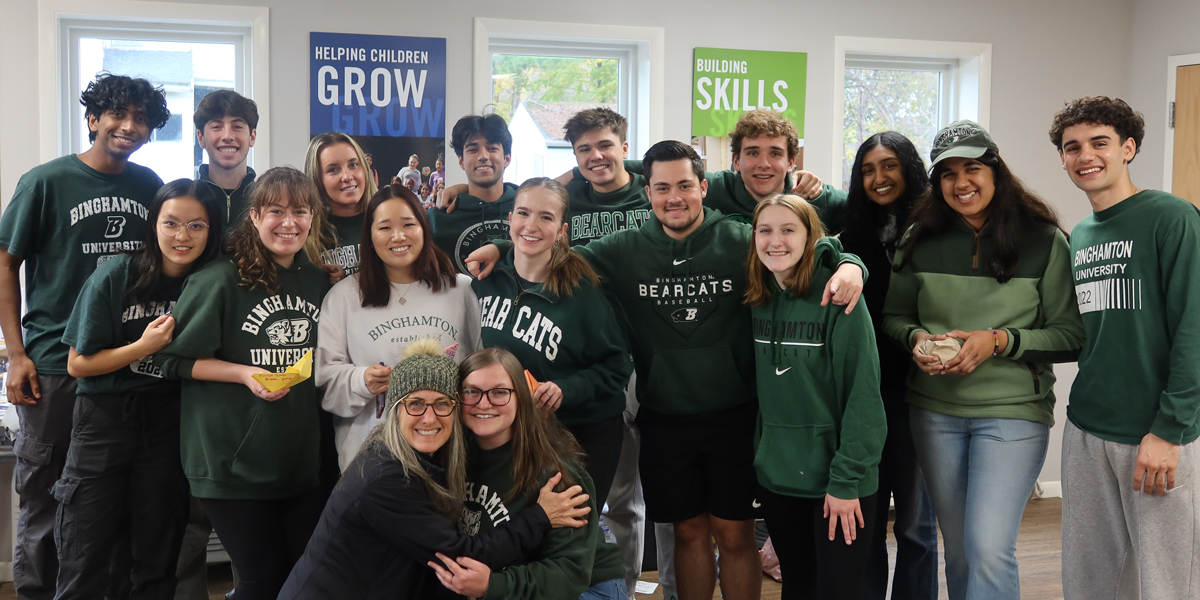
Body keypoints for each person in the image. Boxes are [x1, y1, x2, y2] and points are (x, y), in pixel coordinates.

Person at [468, 141, 866, 600]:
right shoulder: (624, 249)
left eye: (684, 185)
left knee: (735, 537)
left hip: (734, 414)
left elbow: (807, 250)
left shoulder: (741, 239)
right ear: (648, 193)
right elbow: (551, 252)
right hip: (665, 417)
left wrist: (851, 264)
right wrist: (503, 244)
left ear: (703, 188)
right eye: (661, 188)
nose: (673, 197)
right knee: (688, 534)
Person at [882, 120, 1085, 600]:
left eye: (972, 168)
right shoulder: (919, 237)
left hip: (1012, 413)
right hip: (934, 412)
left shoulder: (1043, 240)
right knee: (960, 551)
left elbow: (1071, 335)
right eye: (947, 174)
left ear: (996, 171)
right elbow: (893, 316)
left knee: (989, 547)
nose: (961, 183)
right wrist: (914, 339)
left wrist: (998, 341)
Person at [0, 72, 169, 600]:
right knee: (47, 499)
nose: (129, 126)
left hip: (124, 366)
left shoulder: (148, 186)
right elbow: (6, 264)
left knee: (112, 504)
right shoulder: (45, 182)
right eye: (118, 114)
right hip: (53, 364)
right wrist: (17, 354)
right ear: (93, 119)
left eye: (141, 118)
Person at [280, 338, 593, 599]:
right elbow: (458, 556)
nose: (429, 418)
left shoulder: (438, 457)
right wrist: (540, 516)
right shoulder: (387, 477)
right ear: (394, 410)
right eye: (415, 404)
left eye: (441, 403)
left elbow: (570, 572)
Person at [156, 167, 331, 600]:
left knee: (302, 579)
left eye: (300, 211)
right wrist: (242, 373)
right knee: (260, 580)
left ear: (313, 218)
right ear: (254, 216)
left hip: (298, 461)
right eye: (276, 211)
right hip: (230, 463)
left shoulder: (317, 282)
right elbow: (170, 360)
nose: (288, 223)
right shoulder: (218, 279)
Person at [1049, 96, 1200, 600]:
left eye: (1100, 143)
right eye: (1072, 147)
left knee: (1166, 583)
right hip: (1088, 427)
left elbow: (1193, 328)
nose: (1085, 156)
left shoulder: (1172, 217)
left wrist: (1169, 429)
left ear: (1128, 148)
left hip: (1156, 432)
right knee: (1090, 580)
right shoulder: (1082, 235)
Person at [52, 180, 223, 599]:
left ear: (211, 231)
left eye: (197, 226)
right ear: (153, 224)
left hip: (170, 419)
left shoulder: (212, 281)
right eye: (171, 223)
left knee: (156, 555)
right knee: (84, 552)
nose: (182, 236)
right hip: (104, 418)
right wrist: (142, 347)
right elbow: (78, 364)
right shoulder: (117, 273)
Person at [746, 193, 887, 600]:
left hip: (840, 482)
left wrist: (846, 482)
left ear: (810, 237)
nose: (776, 241)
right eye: (765, 230)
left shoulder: (840, 298)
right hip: (779, 477)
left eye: (789, 230)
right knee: (799, 587)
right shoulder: (759, 296)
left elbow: (863, 398)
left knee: (838, 592)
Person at [471, 177, 632, 509]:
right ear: (510, 219)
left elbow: (616, 367)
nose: (531, 225)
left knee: (569, 538)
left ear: (562, 229)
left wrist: (565, 389)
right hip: (513, 433)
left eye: (546, 217)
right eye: (523, 213)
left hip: (581, 432)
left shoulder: (582, 291)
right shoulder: (485, 280)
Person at [430, 347, 626, 599]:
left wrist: (493, 585)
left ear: (521, 397)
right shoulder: (450, 455)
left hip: (587, 588)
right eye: (472, 392)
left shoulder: (556, 473)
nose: (484, 403)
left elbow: (570, 573)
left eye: (500, 392)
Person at [317, 184, 482, 471]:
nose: (398, 236)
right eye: (384, 228)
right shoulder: (343, 297)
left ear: (424, 228)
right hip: (370, 461)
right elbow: (325, 382)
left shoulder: (460, 290)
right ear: (369, 235)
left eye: (409, 224)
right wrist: (362, 381)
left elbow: (479, 367)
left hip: (447, 456)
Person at [840, 132, 939, 600]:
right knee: (866, 521)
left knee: (917, 525)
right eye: (867, 170)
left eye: (889, 166)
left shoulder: (940, 226)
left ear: (909, 169)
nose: (878, 178)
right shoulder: (849, 233)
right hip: (863, 396)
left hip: (923, 394)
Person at [428, 114, 518, 273]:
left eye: (492, 148)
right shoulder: (437, 220)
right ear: (461, 161)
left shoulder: (528, 210)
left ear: (507, 158)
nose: (483, 156)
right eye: (473, 149)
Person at [305, 132, 378, 278]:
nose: (347, 176)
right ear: (317, 178)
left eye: (353, 165)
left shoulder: (387, 222)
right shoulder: (306, 233)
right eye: (333, 170)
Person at [194, 90, 258, 235]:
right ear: (201, 137)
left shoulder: (266, 201)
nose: (227, 136)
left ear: (252, 136)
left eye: (237, 127)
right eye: (216, 127)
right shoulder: (186, 200)